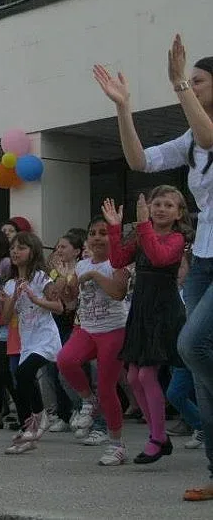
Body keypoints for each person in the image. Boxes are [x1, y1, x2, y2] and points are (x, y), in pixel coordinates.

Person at [94, 34, 213, 499]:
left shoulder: (203, 133)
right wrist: (124, 109)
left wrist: (178, 80)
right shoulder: (191, 143)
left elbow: (208, 132)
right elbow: (140, 160)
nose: (191, 86)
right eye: (191, 81)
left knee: (191, 344)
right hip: (204, 258)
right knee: (199, 367)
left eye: (200, 81)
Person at [105, 188, 190, 464]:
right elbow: (118, 260)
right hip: (141, 308)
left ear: (179, 213)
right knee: (132, 377)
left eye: (169, 205)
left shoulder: (176, 238)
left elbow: (158, 257)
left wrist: (143, 225)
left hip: (163, 311)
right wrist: (115, 229)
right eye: (157, 203)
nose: (161, 209)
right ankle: (158, 436)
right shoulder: (143, 234)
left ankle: (157, 437)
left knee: (146, 376)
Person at [56, 216, 130, 466]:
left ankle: (117, 445)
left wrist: (94, 276)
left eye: (103, 232)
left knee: (108, 388)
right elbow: (71, 300)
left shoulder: (118, 263)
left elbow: (118, 293)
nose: (97, 237)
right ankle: (88, 400)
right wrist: (67, 284)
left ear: (112, 237)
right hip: (86, 328)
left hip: (113, 330)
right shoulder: (81, 265)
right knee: (65, 360)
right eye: (92, 233)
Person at [0, 232, 62, 454]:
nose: (15, 251)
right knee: (21, 380)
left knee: (25, 373)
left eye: (22, 247)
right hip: (27, 340)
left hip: (46, 338)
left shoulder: (42, 279)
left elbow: (59, 307)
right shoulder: (9, 284)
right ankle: (29, 433)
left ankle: (40, 415)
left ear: (32, 252)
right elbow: (5, 319)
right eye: (13, 248)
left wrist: (35, 298)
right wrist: (14, 296)